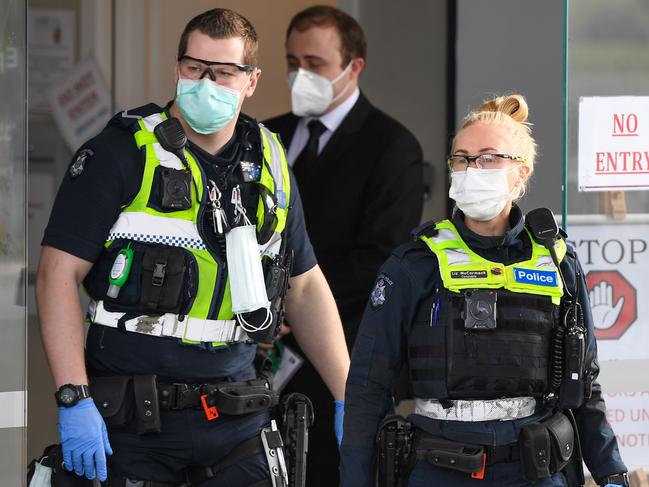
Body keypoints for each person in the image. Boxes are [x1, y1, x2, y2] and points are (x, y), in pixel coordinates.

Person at [36, 8, 349, 486]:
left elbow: (305, 287)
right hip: (133, 423)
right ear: (177, 67)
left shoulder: (270, 161)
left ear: (251, 82)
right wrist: (73, 398)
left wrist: (350, 396)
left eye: (223, 72)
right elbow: (57, 274)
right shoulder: (121, 153)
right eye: (194, 68)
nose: (205, 82)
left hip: (237, 418)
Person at [339, 94, 629, 487]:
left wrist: (611, 472)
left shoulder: (557, 261)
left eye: (489, 158)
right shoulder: (415, 264)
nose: (472, 169)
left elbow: (585, 383)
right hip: (440, 466)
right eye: (462, 158)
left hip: (534, 467)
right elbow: (368, 387)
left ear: (521, 173)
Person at [264, 6, 423, 484]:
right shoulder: (268, 137)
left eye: (315, 64)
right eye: (293, 63)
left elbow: (382, 257)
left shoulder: (392, 147)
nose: (300, 75)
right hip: (263, 353)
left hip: (347, 351)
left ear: (354, 67)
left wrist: (293, 305)